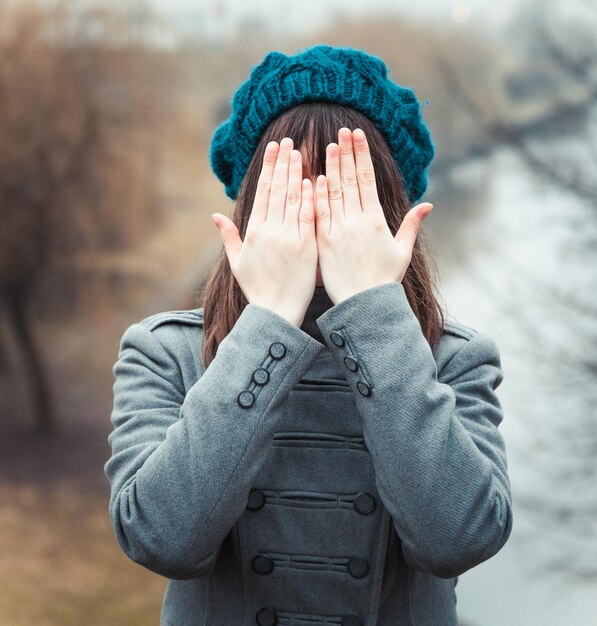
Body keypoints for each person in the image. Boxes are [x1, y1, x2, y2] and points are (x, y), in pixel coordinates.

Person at [104, 44, 513, 626]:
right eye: (293, 188)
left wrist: (373, 314)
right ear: (251, 207)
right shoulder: (163, 352)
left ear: (391, 211)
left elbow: (460, 537)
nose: (321, 214)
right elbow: (161, 538)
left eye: (346, 189)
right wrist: (267, 318)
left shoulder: (455, 360)